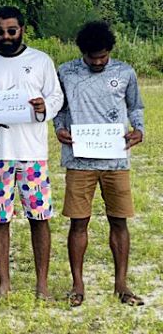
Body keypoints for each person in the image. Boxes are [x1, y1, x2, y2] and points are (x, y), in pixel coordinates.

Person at [0, 7, 63, 298]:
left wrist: (45, 107)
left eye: (11, 31)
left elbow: (56, 96)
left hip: (32, 152)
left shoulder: (41, 61)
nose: (6, 37)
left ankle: (41, 283)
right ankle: (4, 282)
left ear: (22, 30)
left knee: (39, 216)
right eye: (0, 31)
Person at [55, 21, 145, 307]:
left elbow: (135, 106)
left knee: (119, 221)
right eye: (92, 57)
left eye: (102, 56)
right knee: (78, 222)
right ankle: (77, 285)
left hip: (116, 159)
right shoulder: (66, 72)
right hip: (79, 160)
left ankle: (121, 284)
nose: (97, 61)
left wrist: (139, 129)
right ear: (82, 52)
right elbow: (60, 108)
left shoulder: (124, 72)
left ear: (110, 51)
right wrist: (58, 128)